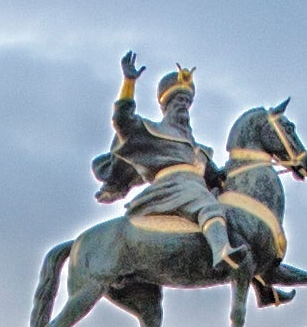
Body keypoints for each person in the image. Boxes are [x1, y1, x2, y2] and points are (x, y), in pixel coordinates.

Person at [91, 54, 249, 286]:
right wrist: (129, 83)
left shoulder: (200, 151)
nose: (183, 107)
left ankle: (263, 283)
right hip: (171, 188)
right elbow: (123, 120)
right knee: (208, 204)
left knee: (238, 222)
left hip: (194, 187)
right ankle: (222, 251)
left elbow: (218, 179)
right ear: (166, 107)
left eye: (186, 103)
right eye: (178, 103)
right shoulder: (153, 130)